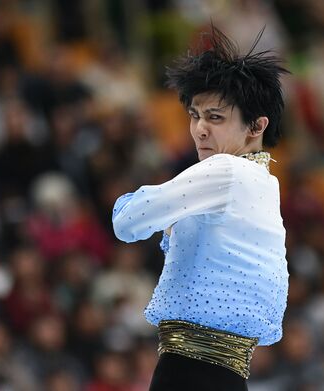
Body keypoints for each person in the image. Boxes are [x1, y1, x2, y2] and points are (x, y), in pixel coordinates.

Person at [112, 26, 289, 391]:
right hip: (225, 374)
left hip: (188, 373)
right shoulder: (266, 183)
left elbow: (127, 222)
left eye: (215, 117)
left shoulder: (225, 170)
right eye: (195, 115)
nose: (199, 130)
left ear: (256, 125)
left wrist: (144, 204)